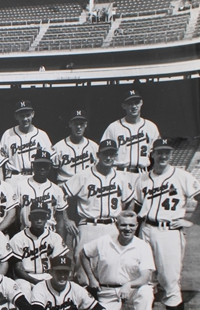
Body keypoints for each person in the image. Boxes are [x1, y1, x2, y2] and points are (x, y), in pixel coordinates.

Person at [134, 138, 200, 310]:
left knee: (169, 276)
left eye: (167, 152)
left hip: (169, 231)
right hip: (146, 229)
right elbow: (136, 206)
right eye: (159, 152)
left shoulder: (181, 176)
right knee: (146, 274)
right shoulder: (143, 178)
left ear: (170, 155)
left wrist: (191, 221)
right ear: (153, 154)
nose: (163, 156)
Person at [62, 139, 135, 284]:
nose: (108, 157)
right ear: (98, 155)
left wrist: (125, 219)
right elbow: (61, 195)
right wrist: (66, 219)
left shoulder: (121, 177)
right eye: (105, 154)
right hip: (88, 226)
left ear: (116, 156)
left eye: (112, 154)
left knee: (110, 269)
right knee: (82, 272)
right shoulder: (83, 175)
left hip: (112, 227)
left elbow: (130, 200)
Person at [81, 211, 155, 310]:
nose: (128, 229)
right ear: (116, 225)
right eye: (124, 225)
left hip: (131, 290)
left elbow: (145, 278)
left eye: (132, 225)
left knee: (146, 291)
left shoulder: (143, 246)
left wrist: (128, 284)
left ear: (137, 225)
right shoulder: (104, 241)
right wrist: (91, 278)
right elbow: (84, 253)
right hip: (107, 291)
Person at [8, 204, 69, 300]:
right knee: (23, 287)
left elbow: (58, 266)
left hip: (47, 275)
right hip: (25, 278)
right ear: (29, 217)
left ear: (47, 217)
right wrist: (35, 281)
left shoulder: (55, 238)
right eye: (36, 217)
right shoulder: (18, 239)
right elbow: (18, 269)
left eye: (42, 216)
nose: (39, 220)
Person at [100, 88, 161, 180]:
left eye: (136, 102)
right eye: (130, 103)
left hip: (143, 174)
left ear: (141, 103)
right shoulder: (113, 127)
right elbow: (102, 152)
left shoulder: (151, 127)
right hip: (120, 173)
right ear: (124, 106)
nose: (134, 106)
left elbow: (157, 153)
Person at [13, 149, 68, 239]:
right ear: (33, 166)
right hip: (26, 233)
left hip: (50, 233)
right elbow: (16, 217)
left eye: (45, 165)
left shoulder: (56, 190)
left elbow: (60, 220)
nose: (42, 168)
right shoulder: (21, 186)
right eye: (39, 165)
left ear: (50, 167)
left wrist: (61, 242)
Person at [0, 99, 53, 181]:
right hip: (14, 177)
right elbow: (0, 163)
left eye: (27, 115)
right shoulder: (8, 134)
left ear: (33, 114)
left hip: (34, 177)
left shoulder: (42, 135)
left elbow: (50, 161)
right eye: (21, 116)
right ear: (16, 116)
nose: (25, 119)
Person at [51, 110, 99, 185]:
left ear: (86, 124)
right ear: (70, 124)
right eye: (75, 124)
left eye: (81, 124)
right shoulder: (58, 147)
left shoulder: (94, 146)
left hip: (87, 185)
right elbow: (52, 172)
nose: (78, 127)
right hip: (65, 184)